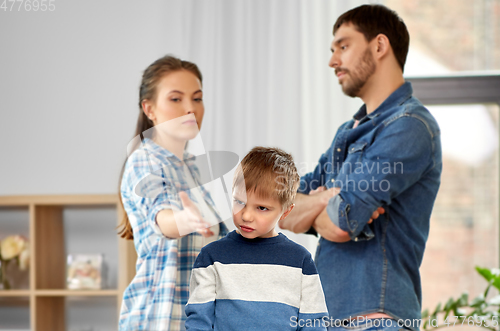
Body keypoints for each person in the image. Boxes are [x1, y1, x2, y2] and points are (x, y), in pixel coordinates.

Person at [279, 4, 442, 331]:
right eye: (332, 49)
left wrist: (329, 207)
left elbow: (342, 223)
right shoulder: (347, 132)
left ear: (379, 46)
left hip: (375, 320)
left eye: (343, 46)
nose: (332, 60)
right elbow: (280, 209)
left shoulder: (409, 126)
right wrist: (328, 200)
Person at [117, 55, 228, 330]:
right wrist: (181, 221)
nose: (190, 108)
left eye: (197, 98)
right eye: (176, 99)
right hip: (161, 318)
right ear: (149, 108)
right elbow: (162, 216)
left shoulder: (191, 168)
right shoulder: (145, 160)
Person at [185, 147, 328, 330]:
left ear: (285, 211)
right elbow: (198, 322)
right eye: (240, 202)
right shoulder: (211, 257)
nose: (246, 216)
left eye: (261, 208)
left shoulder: (300, 261)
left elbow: (313, 323)